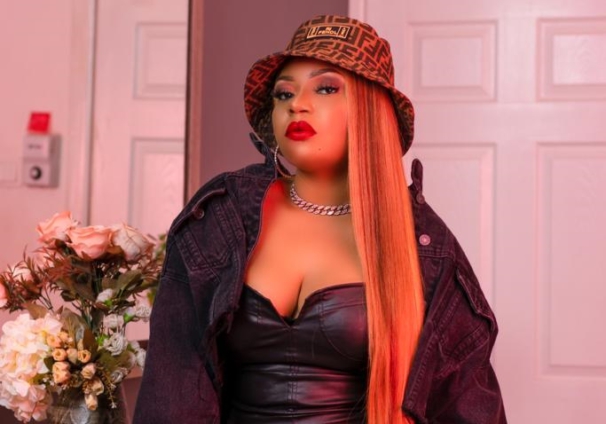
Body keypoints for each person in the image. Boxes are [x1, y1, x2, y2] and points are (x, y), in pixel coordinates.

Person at [133, 15, 506, 424]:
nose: (296, 104)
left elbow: (466, 405)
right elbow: (171, 387)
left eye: (326, 88)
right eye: (283, 93)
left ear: (369, 109)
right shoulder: (221, 217)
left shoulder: (422, 244)